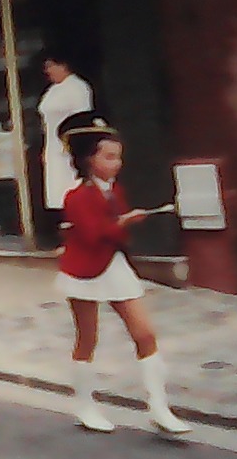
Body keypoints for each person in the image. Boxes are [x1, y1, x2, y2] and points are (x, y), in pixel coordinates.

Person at [55, 111, 189, 436]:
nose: (116, 163)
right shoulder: (76, 196)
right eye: (109, 156)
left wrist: (125, 223)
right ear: (89, 160)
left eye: (119, 157)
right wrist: (123, 224)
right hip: (84, 271)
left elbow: (113, 233)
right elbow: (92, 234)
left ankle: (159, 407)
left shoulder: (116, 192)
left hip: (114, 266)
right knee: (87, 338)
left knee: (145, 334)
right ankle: (85, 405)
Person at [37, 52, 95, 228]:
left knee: (71, 186)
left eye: (51, 66)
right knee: (56, 190)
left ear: (63, 66)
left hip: (69, 145)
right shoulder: (53, 90)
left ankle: (79, 224)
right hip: (52, 144)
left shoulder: (78, 87)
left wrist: (73, 144)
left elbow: (81, 118)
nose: (48, 71)